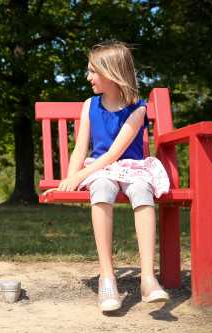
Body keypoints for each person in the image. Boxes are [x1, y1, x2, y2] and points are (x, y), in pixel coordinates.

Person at [52, 41, 170, 312]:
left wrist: (79, 174)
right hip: (100, 169)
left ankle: (148, 278)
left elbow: (115, 154)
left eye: (93, 71)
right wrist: (70, 178)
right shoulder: (89, 105)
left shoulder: (138, 109)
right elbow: (81, 148)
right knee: (103, 187)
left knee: (141, 189)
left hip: (129, 166)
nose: (88, 77)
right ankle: (107, 277)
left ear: (112, 72)